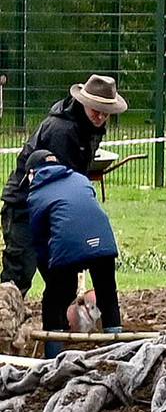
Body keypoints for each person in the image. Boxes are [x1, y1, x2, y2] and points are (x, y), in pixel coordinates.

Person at [3, 75, 124, 294]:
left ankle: (59, 324)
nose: (100, 115)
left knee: (63, 281)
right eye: (96, 109)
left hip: (54, 206)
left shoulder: (90, 126)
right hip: (26, 207)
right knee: (17, 277)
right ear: (84, 103)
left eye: (105, 111)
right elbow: (60, 184)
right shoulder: (61, 130)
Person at [23, 149, 122, 356]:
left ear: (33, 173)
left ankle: (52, 355)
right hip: (104, 241)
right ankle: (119, 350)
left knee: (53, 299)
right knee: (107, 293)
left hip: (68, 246)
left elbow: (39, 241)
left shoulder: (36, 195)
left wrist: (50, 275)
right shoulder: (80, 178)